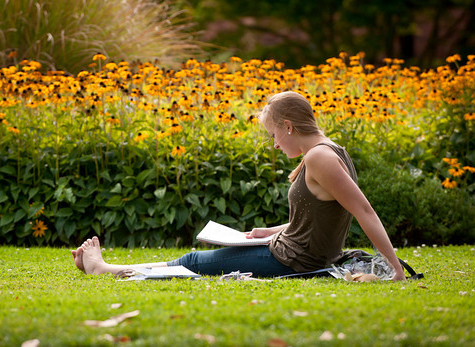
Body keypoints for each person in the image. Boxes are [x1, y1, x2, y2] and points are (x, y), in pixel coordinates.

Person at [71, 91, 407, 281]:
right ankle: (107, 266)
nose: (275, 144)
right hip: (287, 248)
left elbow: (363, 210)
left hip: (293, 261)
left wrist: (395, 270)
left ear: (288, 127)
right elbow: (322, 216)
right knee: (196, 258)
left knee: (194, 262)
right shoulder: (330, 150)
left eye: (274, 135)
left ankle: (105, 269)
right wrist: (270, 231)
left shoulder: (320, 157)